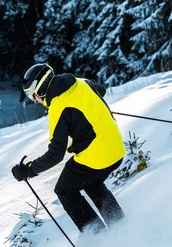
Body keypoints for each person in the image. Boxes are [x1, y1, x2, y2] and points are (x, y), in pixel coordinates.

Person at [11, 63, 126, 233]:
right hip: (116, 148)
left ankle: (97, 238)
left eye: (32, 95)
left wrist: (28, 170)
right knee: (92, 183)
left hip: (97, 156)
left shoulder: (58, 106)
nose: (35, 100)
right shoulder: (80, 82)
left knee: (64, 190)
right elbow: (101, 90)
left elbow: (55, 154)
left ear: (41, 89)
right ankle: (120, 227)